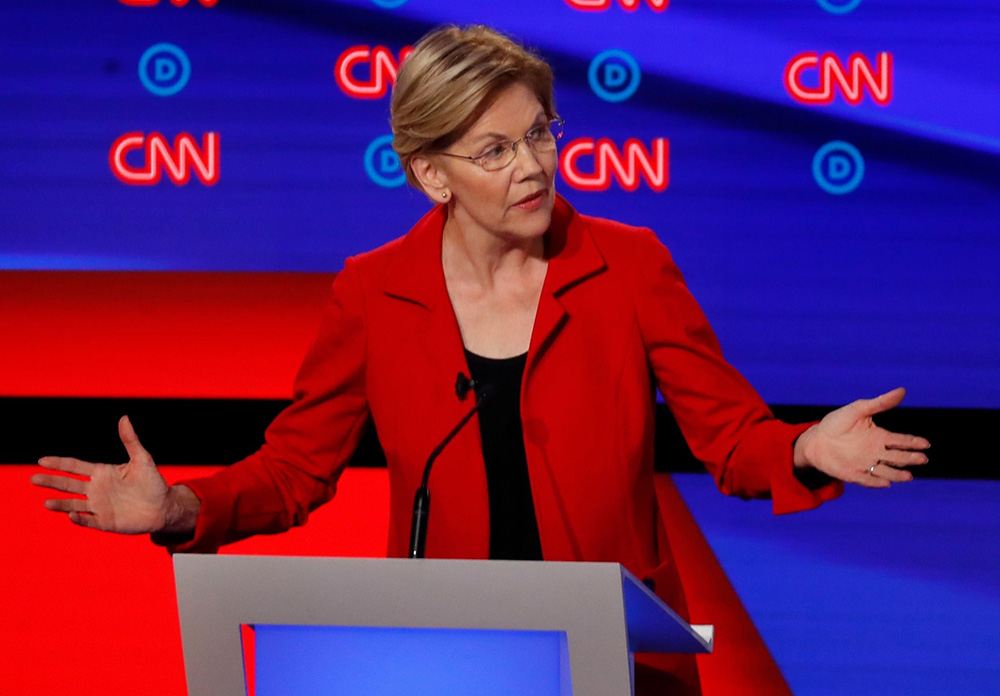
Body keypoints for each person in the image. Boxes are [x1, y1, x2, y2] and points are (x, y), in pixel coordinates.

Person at [32, 25, 930, 694]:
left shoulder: (631, 264)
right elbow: (297, 469)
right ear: (430, 174)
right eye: (495, 151)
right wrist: (181, 506)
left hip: (619, 656)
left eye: (540, 134)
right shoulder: (373, 292)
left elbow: (727, 435)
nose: (534, 167)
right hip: (451, 654)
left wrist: (804, 448)